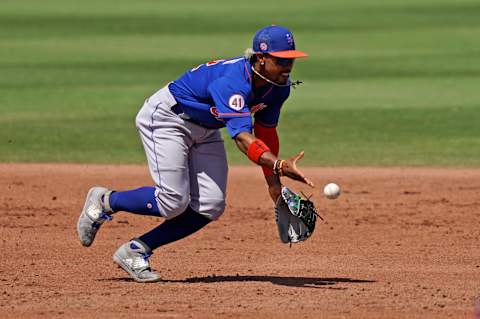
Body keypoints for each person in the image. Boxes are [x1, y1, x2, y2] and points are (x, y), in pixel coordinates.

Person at [76, 25, 314, 283]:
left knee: (211, 205)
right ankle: (106, 201)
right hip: (168, 119)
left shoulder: (279, 87)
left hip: (207, 129)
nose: (288, 67)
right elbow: (244, 140)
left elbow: (265, 134)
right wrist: (278, 165)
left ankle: (135, 250)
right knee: (172, 201)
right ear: (261, 58)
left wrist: (275, 188)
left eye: (291, 59)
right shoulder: (232, 82)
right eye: (281, 60)